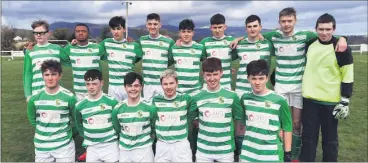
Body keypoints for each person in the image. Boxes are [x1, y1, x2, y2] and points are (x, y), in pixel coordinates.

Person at [230, 7, 348, 161]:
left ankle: (294, 155)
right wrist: (238, 39)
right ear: (279, 22)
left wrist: (342, 38)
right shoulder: (274, 36)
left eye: (289, 21)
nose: (286, 24)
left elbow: (326, 35)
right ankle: (279, 152)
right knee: (279, 123)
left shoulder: (304, 35)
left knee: (297, 123)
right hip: (280, 86)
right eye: (283, 21)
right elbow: (254, 35)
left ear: (295, 21)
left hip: (299, 86)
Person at [300, 13, 354, 162]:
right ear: (316, 29)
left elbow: (348, 74)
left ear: (334, 29)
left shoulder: (342, 48)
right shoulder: (310, 44)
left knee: (330, 140)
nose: (324, 33)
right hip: (310, 99)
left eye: (328, 29)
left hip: (331, 102)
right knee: (308, 138)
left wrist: (345, 99)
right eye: (321, 29)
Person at [188, 57, 244, 162]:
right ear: (203, 74)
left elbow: (239, 119)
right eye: (208, 75)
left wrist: (236, 141)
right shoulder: (196, 97)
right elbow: (191, 119)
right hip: (203, 151)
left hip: (226, 151)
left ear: (221, 73)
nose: (212, 78)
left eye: (215, 74)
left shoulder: (232, 96)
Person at [239, 59, 292, 162]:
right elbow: (244, 123)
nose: (257, 82)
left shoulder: (279, 100)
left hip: (271, 154)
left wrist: (288, 154)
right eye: (253, 78)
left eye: (261, 78)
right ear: (248, 78)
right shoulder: (245, 98)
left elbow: (287, 127)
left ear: (267, 78)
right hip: (248, 153)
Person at [27, 60, 77, 162]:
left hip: (64, 147)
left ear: (60, 75)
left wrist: (68, 135)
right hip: (42, 147)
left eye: (53, 74)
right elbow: (32, 119)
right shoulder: (35, 98)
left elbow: (76, 120)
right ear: (42, 76)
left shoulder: (69, 97)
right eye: (47, 74)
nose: (50, 78)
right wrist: (44, 131)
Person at [74, 69, 119, 162]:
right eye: (88, 84)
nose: (91, 87)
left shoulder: (112, 102)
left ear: (102, 83)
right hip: (92, 148)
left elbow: (118, 122)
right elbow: (79, 124)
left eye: (94, 84)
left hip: (110, 146)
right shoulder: (80, 106)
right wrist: (87, 136)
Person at [112, 72, 156, 162]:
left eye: (136, 86)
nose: (133, 89)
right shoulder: (117, 109)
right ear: (125, 87)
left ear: (141, 87)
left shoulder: (150, 107)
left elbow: (154, 127)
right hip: (125, 151)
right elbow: (117, 129)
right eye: (129, 86)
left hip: (144, 150)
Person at [151, 69, 193, 162]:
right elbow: (152, 120)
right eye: (165, 84)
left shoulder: (186, 98)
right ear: (161, 85)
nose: (168, 87)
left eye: (171, 83)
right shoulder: (156, 100)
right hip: (162, 145)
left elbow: (191, 116)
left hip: (181, 145)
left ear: (177, 83)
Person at [100, 16, 143, 101]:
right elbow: (96, 51)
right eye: (113, 29)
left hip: (129, 85)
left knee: (131, 111)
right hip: (113, 87)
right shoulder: (106, 43)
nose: (116, 31)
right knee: (114, 112)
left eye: (118, 28)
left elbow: (137, 58)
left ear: (124, 29)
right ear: (110, 30)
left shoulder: (134, 45)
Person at [61, 23, 105, 101]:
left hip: (96, 90)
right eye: (78, 31)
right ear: (75, 33)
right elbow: (61, 56)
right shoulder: (69, 49)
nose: (80, 33)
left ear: (88, 33)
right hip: (79, 92)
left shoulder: (98, 48)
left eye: (83, 31)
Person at [233, 15, 274, 96]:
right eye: (249, 27)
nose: (252, 29)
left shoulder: (267, 44)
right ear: (246, 29)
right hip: (242, 88)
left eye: (255, 26)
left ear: (260, 27)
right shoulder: (239, 44)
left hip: (261, 88)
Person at [23, 20, 64, 102]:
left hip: (56, 92)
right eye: (36, 33)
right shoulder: (30, 51)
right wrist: (28, 94)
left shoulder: (57, 49)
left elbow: (69, 62)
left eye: (41, 32)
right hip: (37, 93)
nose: (38, 35)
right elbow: (27, 74)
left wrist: (73, 44)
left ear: (49, 33)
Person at [139, 13, 175, 100]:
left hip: (162, 83)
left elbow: (171, 59)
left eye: (155, 24)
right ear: (146, 25)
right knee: (149, 110)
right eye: (150, 24)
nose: (152, 27)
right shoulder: (142, 40)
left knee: (163, 109)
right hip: (148, 84)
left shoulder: (168, 41)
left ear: (160, 25)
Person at [168, 19, 207, 94]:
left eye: (189, 32)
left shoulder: (200, 48)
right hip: (178, 91)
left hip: (195, 90)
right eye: (183, 32)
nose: (186, 34)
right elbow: (166, 63)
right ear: (179, 33)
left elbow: (207, 63)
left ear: (193, 33)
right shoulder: (174, 48)